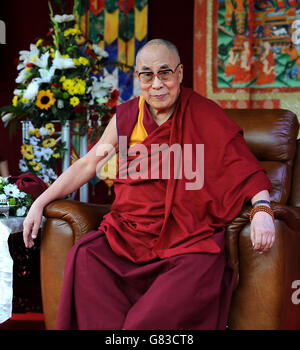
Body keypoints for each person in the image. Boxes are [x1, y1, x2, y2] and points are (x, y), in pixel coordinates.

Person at [23, 39, 275, 330]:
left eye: (165, 73)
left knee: (182, 287)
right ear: (138, 78)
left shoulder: (204, 114)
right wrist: (40, 202)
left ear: (180, 74)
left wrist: (263, 210)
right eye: (147, 75)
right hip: (129, 235)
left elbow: (243, 166)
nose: (157, 84)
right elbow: (89, 163)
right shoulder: (128, 117)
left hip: (188, 240)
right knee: (86, 256)